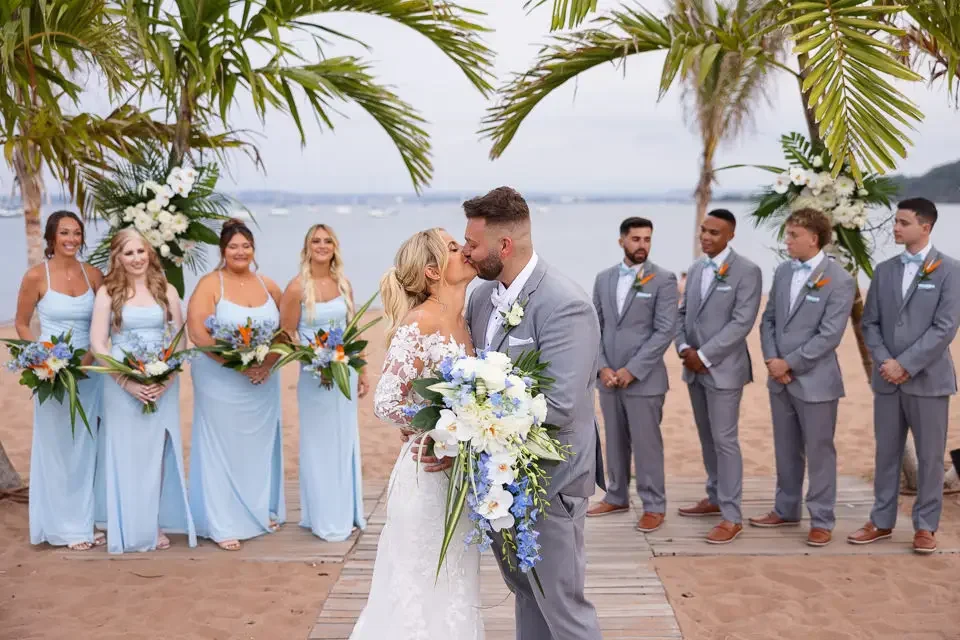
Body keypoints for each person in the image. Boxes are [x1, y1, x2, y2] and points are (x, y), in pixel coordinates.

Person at [418, 186, 604, 640]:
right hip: (500, 477)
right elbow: (475, 380)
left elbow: (560, 403)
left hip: (551, 478)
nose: (465, 251)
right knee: (525, 590)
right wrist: (452, 436)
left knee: (562, 604)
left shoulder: (566, 303)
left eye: (473, 244)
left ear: (504, 246)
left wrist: (470, 430)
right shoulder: (482, 299)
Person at [350, 228, 482, 639]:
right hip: (427, 477)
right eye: (455, 249)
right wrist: (439, 430)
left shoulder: (467, 319)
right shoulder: (419, 322)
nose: (466, 251)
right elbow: (387, 402)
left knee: (456, 584)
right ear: (432, 271)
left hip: (460, 478)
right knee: (419, 584)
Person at [848, 198, 960, 554]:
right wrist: (885, 362)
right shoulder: (883, 270)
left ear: (925, 227)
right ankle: (881, 521)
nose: (895, 228)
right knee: (887, 454)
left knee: (930, 457)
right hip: (887, 379)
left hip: (928, 380)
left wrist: (906, 364)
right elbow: (871, 322)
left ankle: (925, 526)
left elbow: (944, 328)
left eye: (903, 222)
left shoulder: (951, 271)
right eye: (895, 221)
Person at [748, 209, 855, 547]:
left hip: (817, 380)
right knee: (786, 447)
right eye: (788, 233)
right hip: (779, 378)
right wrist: (771, 360)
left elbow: (829, 335)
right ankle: (786, 508)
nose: (787, 240)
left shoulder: (840, 279)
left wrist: (789, 363)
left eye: (793, 235)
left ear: (814, 237)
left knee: (820, 451)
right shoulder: (782, 272)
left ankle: (821, 518)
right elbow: (769, 319)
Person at [89, 229, 196, 553]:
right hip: (121, 384)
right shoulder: (108, 292)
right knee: (125, 451)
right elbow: (98, 343)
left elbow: (180, 341)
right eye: (128, 253)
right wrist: (126, 381)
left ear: (150, 253)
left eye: (141, 251)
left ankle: (151, 522)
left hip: (162, 382)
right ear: (117, 258)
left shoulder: (167, 290)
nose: (136, 259)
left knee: (156, 453)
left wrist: (166, 379)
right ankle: (125, 521)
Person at [186, 219, 285, 551]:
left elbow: (285, 332)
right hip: (219, 380)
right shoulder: (210, 284)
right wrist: (237, 365)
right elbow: (198, 335)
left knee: (255, 449)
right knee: (221, 447)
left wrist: (266, 363)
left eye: (246, 246)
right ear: (222, 251)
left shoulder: (268, 285)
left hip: (262, 382)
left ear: (253, 249)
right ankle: (222, 522)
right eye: (233, 247)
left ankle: (256, 511)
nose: (240, 252)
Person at [14, 211, 104, 550]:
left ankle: (86, 518)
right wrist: (39, 357)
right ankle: (63, 526)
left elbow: (106, 318)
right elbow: (22, 323)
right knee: (57, 447)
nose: (72, 239)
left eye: (77, 233)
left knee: (88, 446)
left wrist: (90, 358)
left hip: (90, 372)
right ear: (52, 237)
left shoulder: (94, 275)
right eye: (65, 232)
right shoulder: (37, 276)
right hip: (51, 375)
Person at [675, 209, 762, 544]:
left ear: (731, 235)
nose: (706, 237)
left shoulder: (747, 271)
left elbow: (742, 322)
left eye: (714, 232)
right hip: (693, 367)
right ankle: (713, 496)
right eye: (703, 231)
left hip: (724, 370)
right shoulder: (696, 268)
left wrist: (705, 355)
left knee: (726, 441)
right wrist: (684, 348)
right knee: (707, 438)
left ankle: (731, 515)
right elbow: (681, 313)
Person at [587, 217, 678, 534]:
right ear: (621, 241)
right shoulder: (604, 278)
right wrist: (602, 366)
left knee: (647, 444)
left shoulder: (664, 280)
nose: (642, 245)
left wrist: (632, 370)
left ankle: (654, 505)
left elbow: (665, 330)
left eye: (647, 239)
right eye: (636, 239)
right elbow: (595, 326)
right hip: (608, 377)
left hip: (645, 380)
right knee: (614, 441)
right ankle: (616, 495)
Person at [279, 224, 369, 541]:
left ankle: (347, 510)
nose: (321, 245)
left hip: (344, 371)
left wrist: (363, 370)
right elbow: (286, 333)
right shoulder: (296, 288)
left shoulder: (343, 284)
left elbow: (352, 329)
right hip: (314, 377)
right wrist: (310, 357)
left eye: (327, 240)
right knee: (319, 445)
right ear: (307, 248)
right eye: (315, 241)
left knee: (344, 441)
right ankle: (323, 516)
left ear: (335, 246)